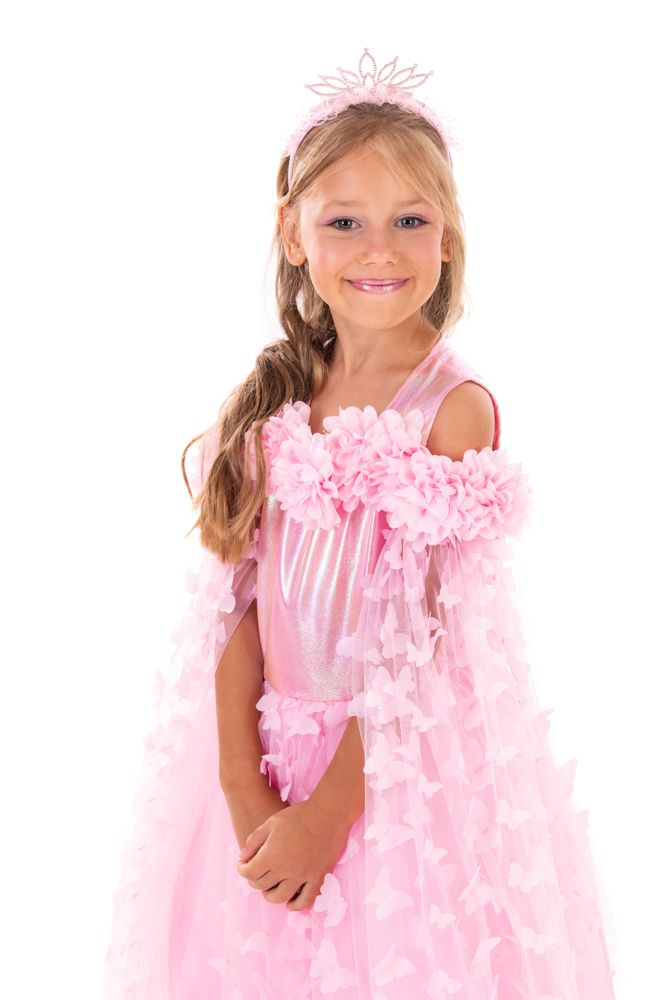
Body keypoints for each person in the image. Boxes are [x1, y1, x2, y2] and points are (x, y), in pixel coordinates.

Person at [102, 48, 619, 999]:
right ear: (293, 234)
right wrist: (241, 786)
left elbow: (429, 645)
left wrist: (327, 814)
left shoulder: (451, 409)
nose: (379, 249)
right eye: (344, 221)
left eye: (409, 221)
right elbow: (237, 608)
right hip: (268, 758)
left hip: (389, 776)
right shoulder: (278, 401)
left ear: (447, 239)